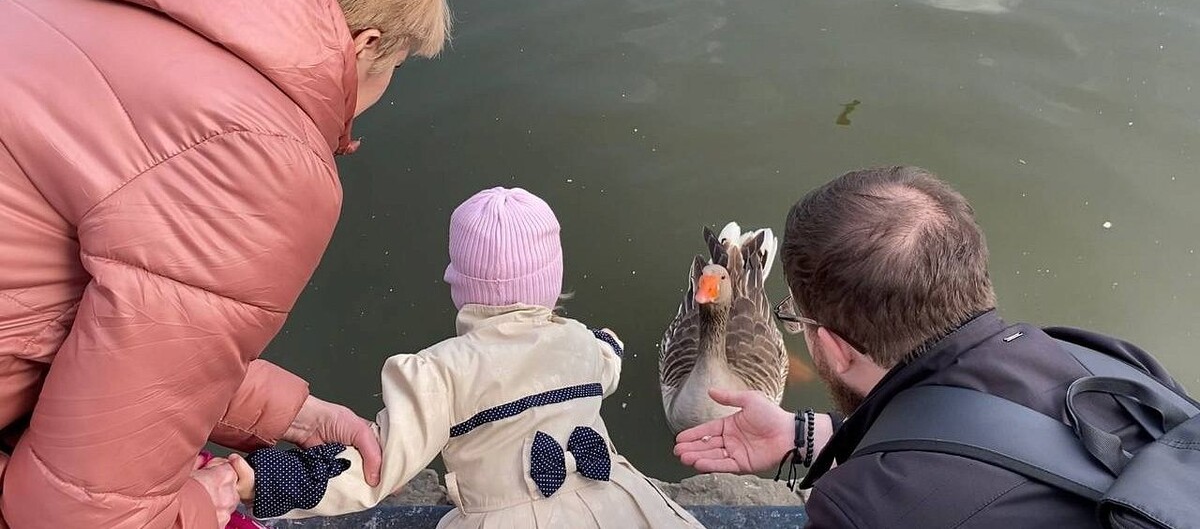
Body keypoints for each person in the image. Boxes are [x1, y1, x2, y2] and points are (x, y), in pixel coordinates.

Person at [0, 0, 450, 528]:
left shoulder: (58, 2)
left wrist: (284, 413)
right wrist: (208, 501)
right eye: (394, 70)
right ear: (366, 46)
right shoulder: (262, 150)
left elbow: (73, 320)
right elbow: (76, 517)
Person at [673, 166, 1195, 527]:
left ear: (833, 347)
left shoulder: (864, 509)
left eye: (797, 321)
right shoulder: (1103, 361)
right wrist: (804, 433)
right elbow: (987, 434)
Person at [227, 187, 703, 528]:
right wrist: (610, 343)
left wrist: (265, 480)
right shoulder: (579, 342)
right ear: (552, 282)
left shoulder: (439, 374)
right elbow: (608, 363)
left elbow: (375, 468)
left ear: (461, 288)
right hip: (620, 506)